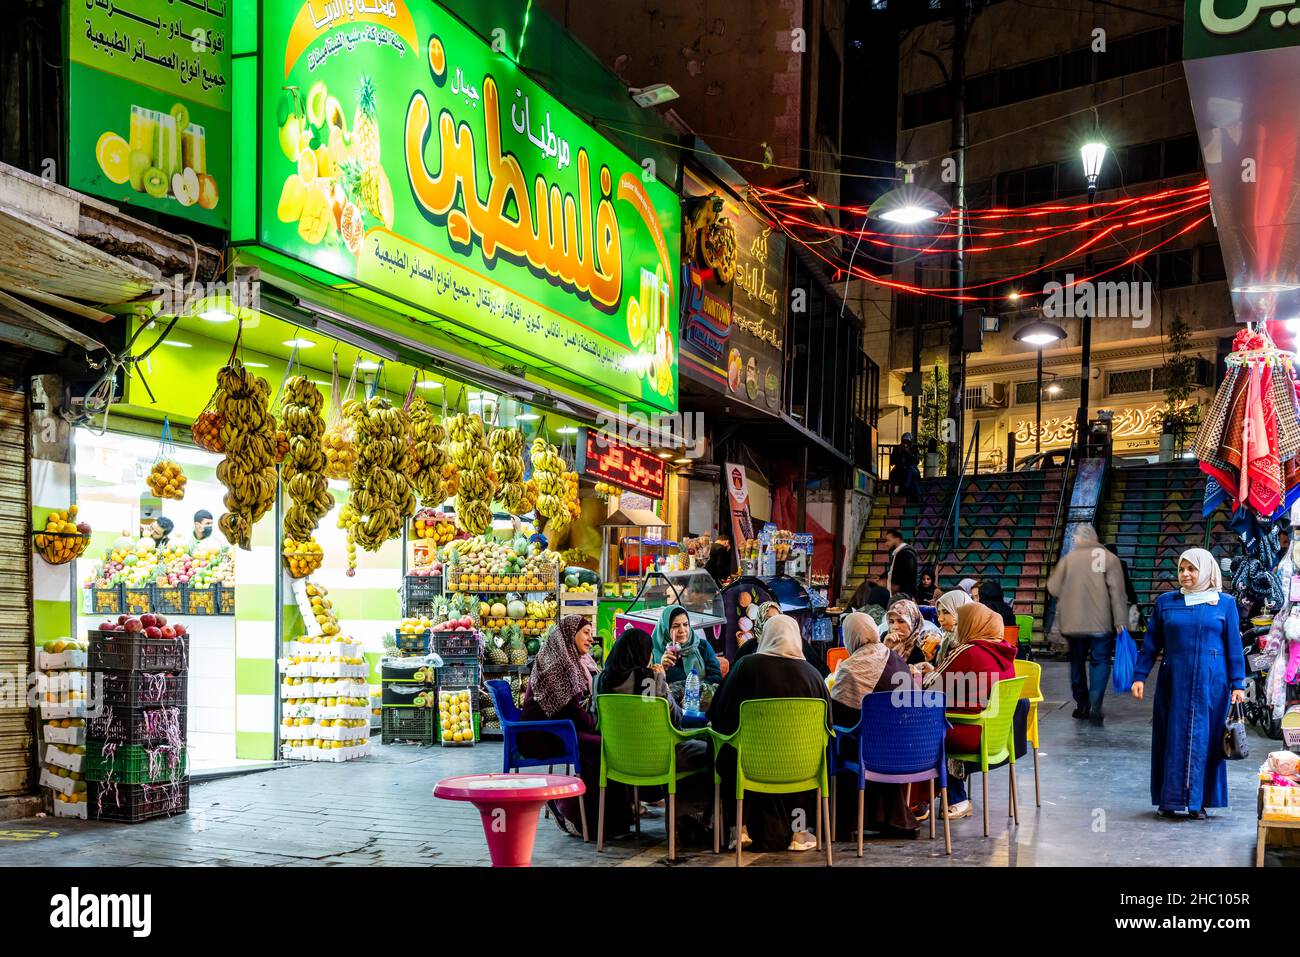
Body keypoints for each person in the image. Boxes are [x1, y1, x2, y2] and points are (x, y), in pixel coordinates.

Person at [1131, 549, 1247, 820]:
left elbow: (1234, 648)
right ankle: (1168, 800)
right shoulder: (1166, 602)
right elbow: (1151, 645)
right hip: (1174, 683)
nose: (1185, 574)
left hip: (1212, 685)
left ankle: (1199, 801)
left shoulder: (1224, 604)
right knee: (1170, 737)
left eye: (1191, 569)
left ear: (1205, 571)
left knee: (1206, 739)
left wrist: (1238, 684)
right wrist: (1140, 675)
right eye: (1181, 569)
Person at [708, 614, 832, 852]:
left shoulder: (746, 667)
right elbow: (828, 728)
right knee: (816, 756)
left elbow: (718, 714)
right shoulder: (813, 676)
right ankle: (799, 831)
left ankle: (740, 828)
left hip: (749, 765)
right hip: (801, 769)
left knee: (724, 750)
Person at [519, 615, 628, 838]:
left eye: (590, 632)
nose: (590, 639)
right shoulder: (560, 663)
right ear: (570, 635)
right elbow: (571, 711)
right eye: (586, 632)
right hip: (541, 735)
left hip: (560, 728)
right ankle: (573, 814)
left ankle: (609, 819)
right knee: (602, 747)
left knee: (604, 744)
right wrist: (597, 723)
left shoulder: (573, 659)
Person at [922, 603, 1017, 819]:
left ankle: (937, 799)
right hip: (995, 733)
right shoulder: (1003, 652)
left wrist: (925, 674)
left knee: (923, 729)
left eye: (960, 622)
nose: (956, 626)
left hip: (970, 731)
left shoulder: (969, 650)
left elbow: (931, 685)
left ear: (970, 624)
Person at [828, 613, 918, 839]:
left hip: (868, 752)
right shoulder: (895, 658)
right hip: (904, 747)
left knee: (833, 739)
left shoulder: (850, 669)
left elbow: (839, 717)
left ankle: (842, 820)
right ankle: (888, 816)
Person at [1046, 523, 1129, 725]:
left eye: (1075, 538)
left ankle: (1082, 705)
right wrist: (1120, 620)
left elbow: (1053, 587)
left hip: (1073, 624)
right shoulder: (1110, 559)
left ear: (1082, 539)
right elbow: (1117, 593)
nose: (1074, 541)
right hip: (1101, 624)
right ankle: (1096, 702)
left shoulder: (1069, 560)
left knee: (1077, 663)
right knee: (1100, 662)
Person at [597, 628, 709, 773]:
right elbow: (676, 719)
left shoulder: (599, 681)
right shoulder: (649, 680)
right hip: (659, 756)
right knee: (712, 748)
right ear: (642, 653)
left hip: (616, 758)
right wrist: (663, 682)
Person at [731, 602, 829, 676]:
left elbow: (822, 672)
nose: (774, 623)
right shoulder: (749, 647)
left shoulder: (798, 644)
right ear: (759, 621)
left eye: (777, 618)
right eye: (768, 619)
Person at [652, 604, 723, 686]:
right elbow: (649, 687)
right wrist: (662, 668)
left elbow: (716, 677)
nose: (682, 630)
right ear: (665, 629)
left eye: (685, 624)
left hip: (701, 696)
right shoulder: (654, 652)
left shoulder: (702, 646)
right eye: (675, 626)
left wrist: (697, 690)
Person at [884, 599, 931, 665]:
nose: (895, 627)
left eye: (901, 621)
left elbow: (920, 675)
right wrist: (885, 649)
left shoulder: (923, 645)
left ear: (913, 622)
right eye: (891, 622)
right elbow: (875, 671)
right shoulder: (885, 637)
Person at [932, 588, 973, 663]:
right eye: (938, 613)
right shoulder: (946, 639)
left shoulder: (972, 645)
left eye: (946, 612)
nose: (940, 619)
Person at [882, 527, 919, 598]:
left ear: (897, 539)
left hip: (902, 599)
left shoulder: (906, 554)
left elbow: (908, 580)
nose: (886, 543)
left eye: (888, 540)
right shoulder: (899, 554)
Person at [889, 433, 922, 503]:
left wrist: (908, 452)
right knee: (896, 473)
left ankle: (905, 488)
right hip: (901, 470)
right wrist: (899, 453)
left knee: (909, 470)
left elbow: (916, 461)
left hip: (913, 470)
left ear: (910, 443)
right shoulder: (897, 448)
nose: (905, 444)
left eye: (907, 442)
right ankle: (902, 490)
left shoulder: (914, 448)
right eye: (904, 442)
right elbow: (891, 462)